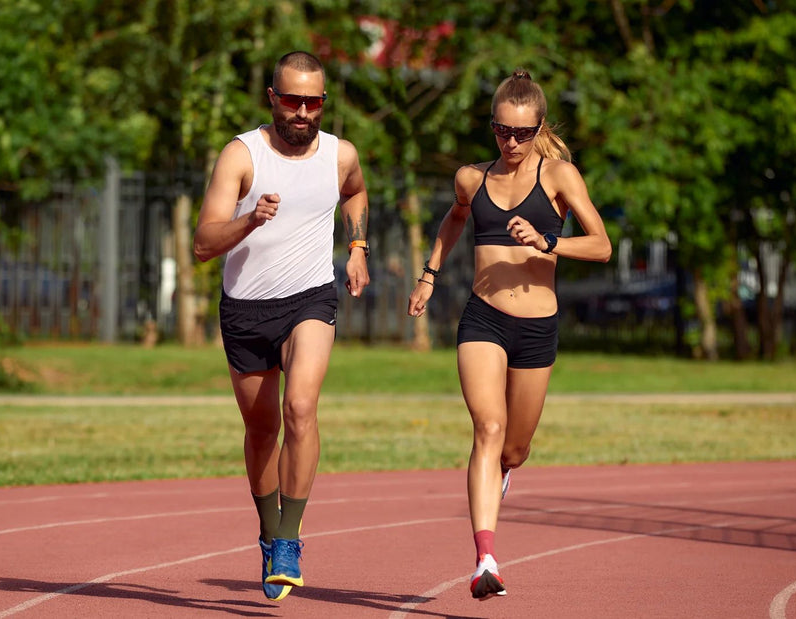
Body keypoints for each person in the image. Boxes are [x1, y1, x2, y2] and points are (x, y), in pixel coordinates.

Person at [407, 69, 611, 601]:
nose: (512, 142)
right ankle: (485, 560)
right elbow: (454, 220)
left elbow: (602, 246)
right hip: (483, 320)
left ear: (538, 126)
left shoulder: (560, 176)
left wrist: (549, 242)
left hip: (538, 327)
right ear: (492, 126)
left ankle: (502, 475)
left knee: (514, 450)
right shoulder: (471, 179)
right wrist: (430, 274)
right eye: (502, 132)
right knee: (489, 427)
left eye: (523, 133)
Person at [194, 50, 370, 601]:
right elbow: (202, 244)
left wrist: (358, 245)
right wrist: (250, 218)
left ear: (323, 102)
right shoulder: (241, 156)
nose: (302, 111)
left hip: (310, 300)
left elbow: (356, 192)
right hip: (245, 308)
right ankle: (269, 532)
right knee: (262, 429)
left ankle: (290, 537)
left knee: (300, 408)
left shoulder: (340, 155)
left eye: (313, 101)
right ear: (272, 98)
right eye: (292, 100)